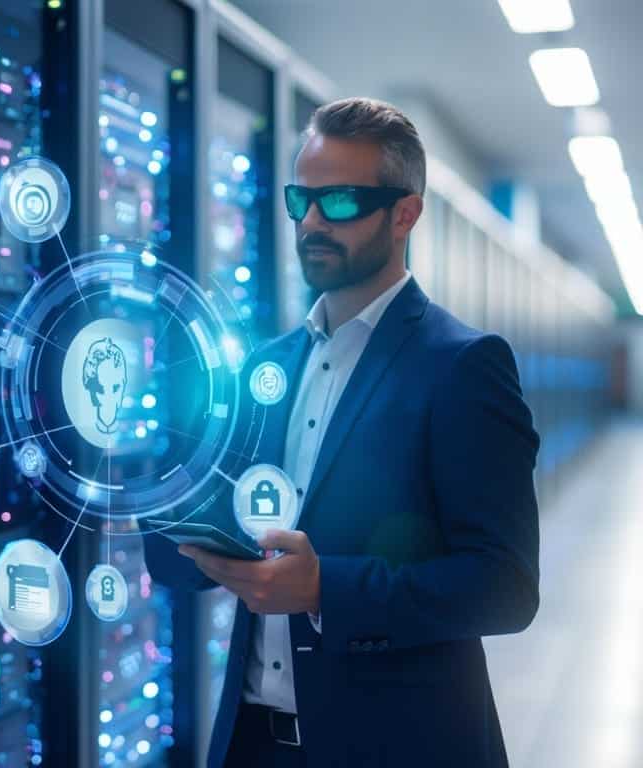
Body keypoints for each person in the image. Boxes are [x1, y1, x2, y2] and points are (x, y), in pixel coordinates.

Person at [143, 97, 540, 767]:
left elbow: (505, 587)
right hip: (251, 744)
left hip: (395, 748)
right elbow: (175, 551)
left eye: (344, 203)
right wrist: (160, 495)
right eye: (303, 201)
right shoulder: (265, 368)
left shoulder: (463, 365)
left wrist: (328, 588)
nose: (314, 224)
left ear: (404, 214)